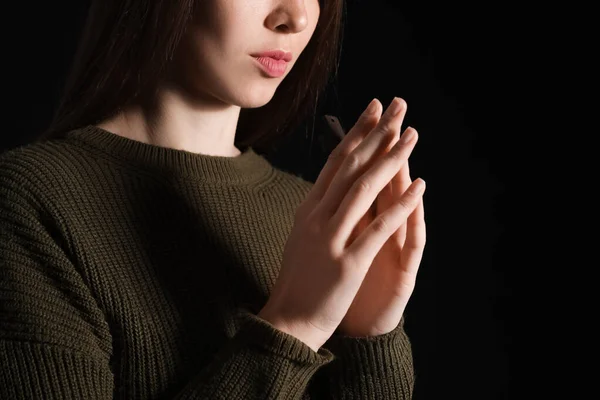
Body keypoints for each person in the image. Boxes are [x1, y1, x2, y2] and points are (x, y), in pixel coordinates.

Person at [0, 0, 426, 398]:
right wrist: (294, 325)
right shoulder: (28, 201)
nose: (294, 17)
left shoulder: (315, 218)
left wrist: (371, 340)